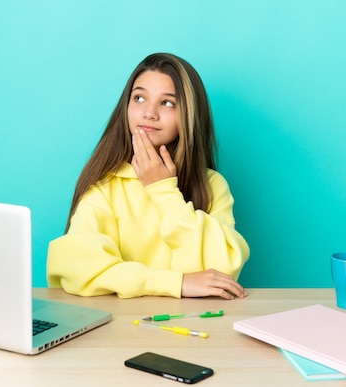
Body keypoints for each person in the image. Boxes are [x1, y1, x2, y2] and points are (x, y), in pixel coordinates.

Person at [47, 53, 249, 300]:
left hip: (194, 324)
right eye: (139, 98)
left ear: (190, 114)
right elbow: (74, 266)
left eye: (167, 103)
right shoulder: (105, 186)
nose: (149, 113)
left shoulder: (212, 185)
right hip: (120, 328)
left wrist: (163, 190)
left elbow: (223, 274)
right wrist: (176, 283)